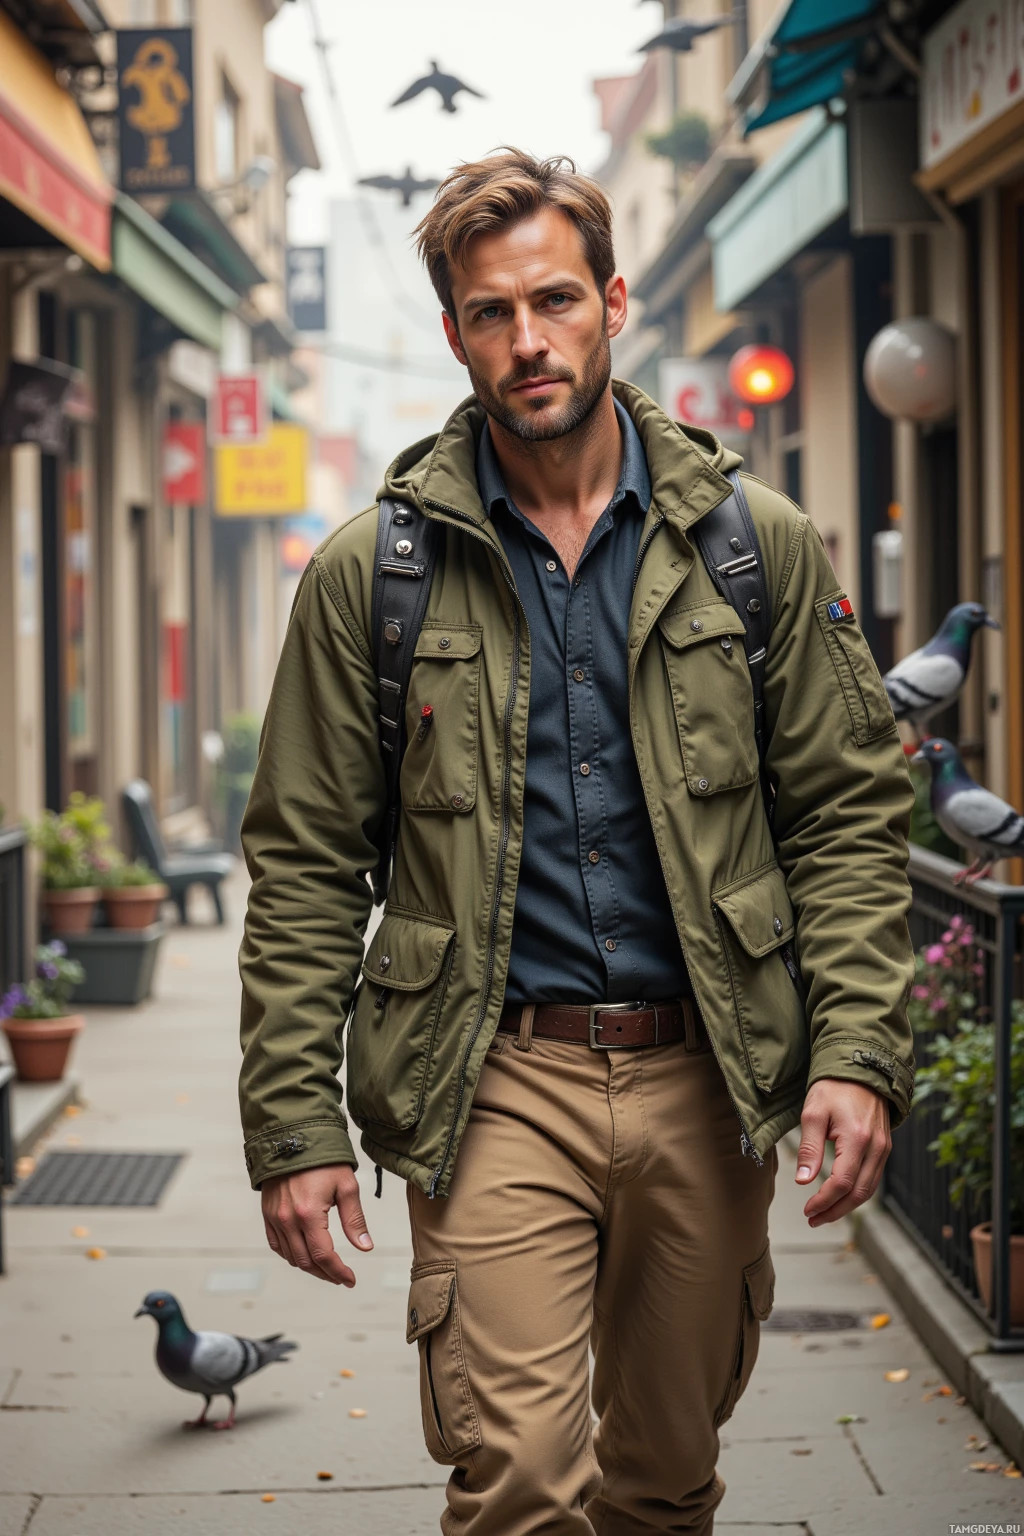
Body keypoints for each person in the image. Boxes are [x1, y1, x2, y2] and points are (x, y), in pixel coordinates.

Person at [238, 149, 916, 1535]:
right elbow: (307, 868)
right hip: (492, 1080)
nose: (527, 340)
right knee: (522, 1487)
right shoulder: (379, 573)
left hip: (703, 1076)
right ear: (454, 335)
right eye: (491, 313)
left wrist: (857, 1051)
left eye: (555, 299)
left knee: (663, 1486)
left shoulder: (752, 545)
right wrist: (294, 1126)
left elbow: (846, 815)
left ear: (614, 301)